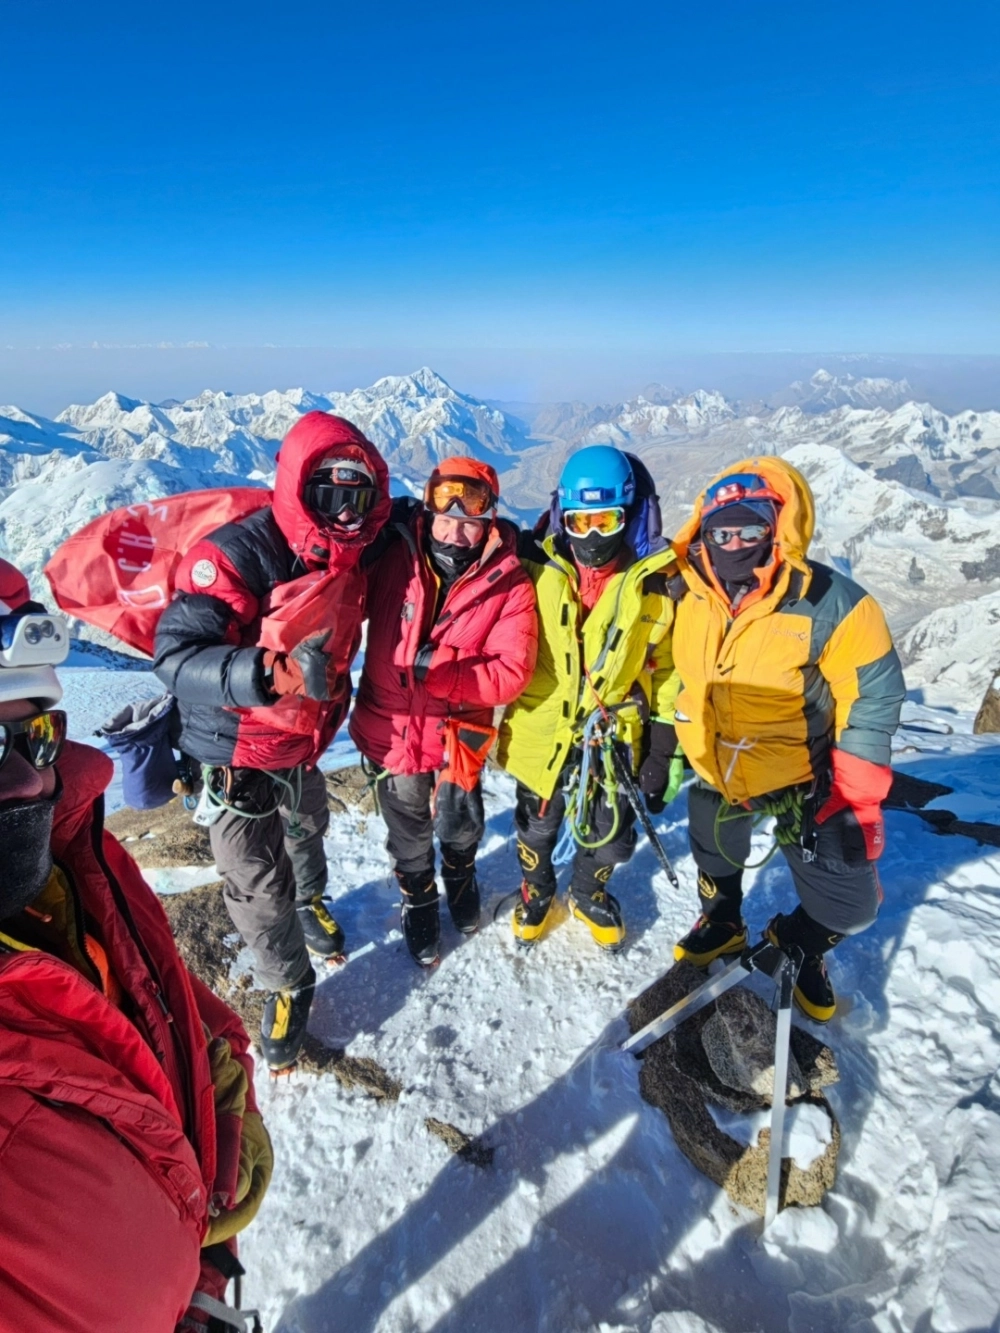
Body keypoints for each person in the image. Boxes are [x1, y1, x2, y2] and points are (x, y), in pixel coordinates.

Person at [0, 558, 271, 1333]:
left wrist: (205, 1252)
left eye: (36, 734)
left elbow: (176, 1015)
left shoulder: (73, 867)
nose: (27, 778)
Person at [154, 411, 390, 1068]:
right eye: (327, 494)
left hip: (304, 736)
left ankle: (311, 903)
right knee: (255, 879)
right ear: (297, 487)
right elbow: (175, 655)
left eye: (357, 496)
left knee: (307, 823)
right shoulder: (235, 554)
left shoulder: (356, 546)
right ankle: (290, 981)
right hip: (238, 749)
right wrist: (271, 671)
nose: (344, 512)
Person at [666, 458, 905, 1021]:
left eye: (750, 528)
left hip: (807, 775)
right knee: (712, 844)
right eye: (720, 530)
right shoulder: (687, 591)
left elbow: (873, 694)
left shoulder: (832, 602)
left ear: (777, 527)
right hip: (716, 764)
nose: (734, 542)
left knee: (851, 905)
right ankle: (723, 920)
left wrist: (853, 794)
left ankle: (798, 941)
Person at [350, 457, 538, 966]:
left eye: (470, 520)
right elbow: (337, 588)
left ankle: (459, 872)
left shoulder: (509, 583)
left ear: (489, 522)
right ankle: (419, 896)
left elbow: (512, 671)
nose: (455, 531)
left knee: (460, 818)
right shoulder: (394, 554)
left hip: (458, 728)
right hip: (392, 724)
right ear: (428, 507)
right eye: (446, 515)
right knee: (406, 824)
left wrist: (441, 670)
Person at [496, 445, 679, 951]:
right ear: (562, 518)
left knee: (613, 832)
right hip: (542, 721)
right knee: (536, 825)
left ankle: (587, 891)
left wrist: (663, 750)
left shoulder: (657, 584)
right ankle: (537, 891)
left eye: (606, 521)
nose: (592, 536)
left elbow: (667, 670)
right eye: (580, 522)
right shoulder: (534, 566)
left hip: (613, 727)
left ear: (630, 515)